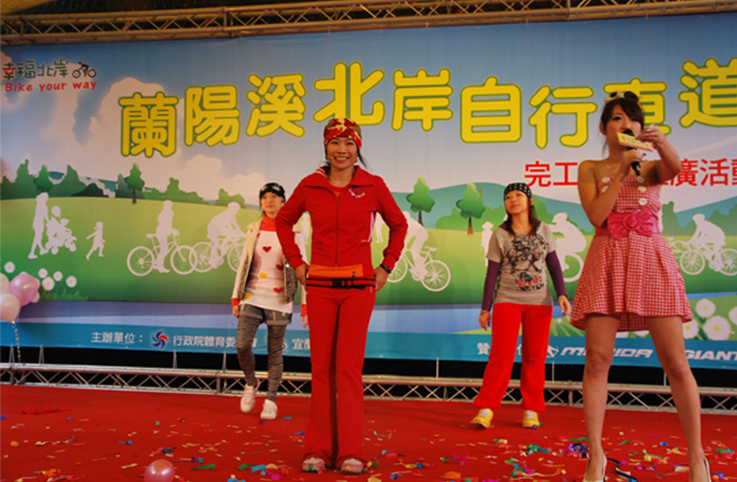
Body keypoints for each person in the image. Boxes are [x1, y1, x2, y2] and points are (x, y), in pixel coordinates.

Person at [571, 91, 707, 482]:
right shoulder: (591, 167)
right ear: (603, 128)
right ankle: (596, 457)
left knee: (676, 364)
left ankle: (697, 457)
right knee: (596, 360)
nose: (625, 124)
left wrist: (661, 143)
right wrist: (619, 172)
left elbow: (675, 168)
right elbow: (597, 215)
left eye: (632, 119)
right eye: (617, 118)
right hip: (607, 260)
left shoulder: (649, 168)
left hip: (651, 260)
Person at [276, 118, 408, 474]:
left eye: (349, 143)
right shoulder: (310, 185)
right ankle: (317, 449)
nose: (342, 150)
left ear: (358, 148)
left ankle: (350, 451)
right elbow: (283, 221)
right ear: (325, 147)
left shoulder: (373, 185)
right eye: (335, 143)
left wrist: (386, 265)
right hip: (319, 287)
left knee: (348, 369)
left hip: (358, 288)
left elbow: (399, 225)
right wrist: (296, 262)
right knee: (321, 369)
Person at [471, 182, 571, 431]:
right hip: (507, 301)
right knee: (501, 356)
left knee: (535, 357)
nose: (513, 199)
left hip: (539, 303)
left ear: (530, 201)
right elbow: (492, 273)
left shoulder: (544, 230)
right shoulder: (500, 234)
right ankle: (486, 408)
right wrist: (485, 308)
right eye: (508, 197)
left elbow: (554, 264)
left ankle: (531, 409)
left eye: (519, 195)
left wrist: (562, 294)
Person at [231, 183, 305, 420]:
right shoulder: (253, 229)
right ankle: (251, 384)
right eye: (264, 197)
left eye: (274, 196)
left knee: (275, 352)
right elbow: (244, 263)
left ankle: (271, 399)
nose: (269, 201)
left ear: (283, 201)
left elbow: (302, 268)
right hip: (252, 295)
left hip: (279, 299)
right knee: (242, 345)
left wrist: (305, 304)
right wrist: (235, 297)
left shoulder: (295, 231)